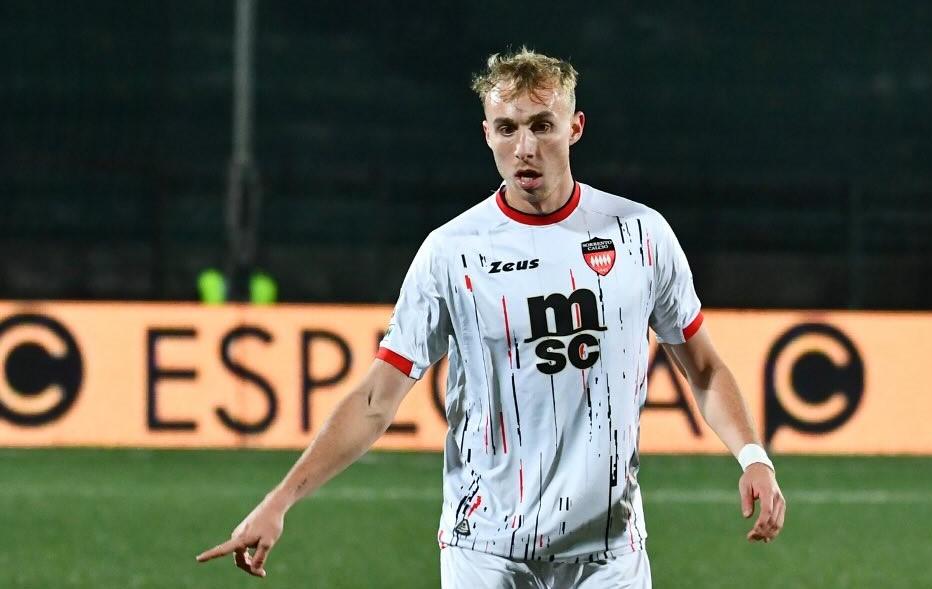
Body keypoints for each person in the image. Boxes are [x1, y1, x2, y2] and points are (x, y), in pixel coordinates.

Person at [196, 48, 786, 588]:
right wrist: (280, 500)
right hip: (486, 554)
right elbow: (377, 399)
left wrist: (753, 457)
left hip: (609, 554)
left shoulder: (639, 235)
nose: (524, 147)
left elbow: (704, 370)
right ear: (487, 134)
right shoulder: (452, 252)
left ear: (574, 129)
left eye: (541, 126)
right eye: (507, 129)